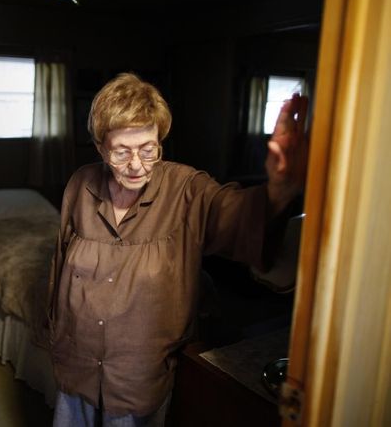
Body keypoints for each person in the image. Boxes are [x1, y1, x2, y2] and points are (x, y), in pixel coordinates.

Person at [47, 72, 308, 426]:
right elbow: (60, 266)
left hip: (138, 378)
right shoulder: (80, 185)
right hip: (76, 365)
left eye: (148, 149)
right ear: (100, 148)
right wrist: (53, 335)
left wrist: (278, 190)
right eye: (121, 151)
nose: (136, 164)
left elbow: (233, 215)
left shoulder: (187, 188)